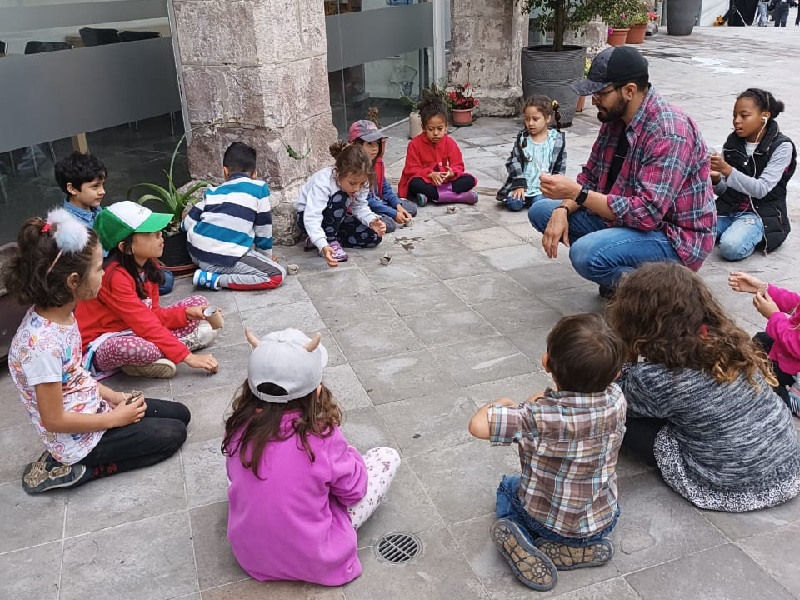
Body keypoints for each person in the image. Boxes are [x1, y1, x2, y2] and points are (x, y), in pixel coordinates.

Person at [6, 208, 190, 494]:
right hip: (76, 442)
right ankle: (83, 469)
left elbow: (76, 374)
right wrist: (115, 419)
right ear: (73, 282)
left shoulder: (65, 315)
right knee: (172, 435)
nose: (104, 273)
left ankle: (109, 433)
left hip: (94, 408)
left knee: (181, 414)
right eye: (98, 268)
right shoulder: (40, 345)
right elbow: (53, 419)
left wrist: (116, 398)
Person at [608, 262, 800, 512]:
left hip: (733, 486)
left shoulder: (659, 380)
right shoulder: (733, 343)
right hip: (787, 468)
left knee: (619, 416)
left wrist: (623, 356)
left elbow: (614, 392)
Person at [527, 46, 716, 299]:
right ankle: (624, 272)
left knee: (585, 254)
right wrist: (563, 208)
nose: (594, 100)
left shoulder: (670, 131)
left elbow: (647, 214)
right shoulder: (614, 119)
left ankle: (667, 294)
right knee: (542, 210)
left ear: (629, 91)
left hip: (674, 237)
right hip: (628, 220)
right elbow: (590, 177)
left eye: (600, 93)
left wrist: (577, 194)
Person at [224, 327, 400, 586]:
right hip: (317, 558)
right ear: (316, 392)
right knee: (386, 456)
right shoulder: (322, 436)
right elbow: (355, 491)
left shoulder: (238, 428)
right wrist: (347, 453)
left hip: (251, 558)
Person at [468, 313, 626, 592]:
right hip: (602, 521)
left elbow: (478, 425)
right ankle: (578, 548)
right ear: (615, 374)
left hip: (546, 521)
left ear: (546, 363)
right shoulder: (617, 400)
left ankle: (522, 540)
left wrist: (503, 403)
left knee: (507, 487)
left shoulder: (536, 417)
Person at [75, 201, 219, 379]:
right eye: (152, 233)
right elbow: (146, 324)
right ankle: (177, 347)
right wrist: (188, 357)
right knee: (137, 348)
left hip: (134, 329)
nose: (161, 236)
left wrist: (186, 313)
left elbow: (154, 314)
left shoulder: (148, 265)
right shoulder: (114, 277)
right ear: (125, 247)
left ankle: (161, 355)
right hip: (103, 342)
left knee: (199, 302)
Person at [55, 151, 175, 294]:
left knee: (162, 277)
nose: (102, 191)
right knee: (163, 280)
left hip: (120, 267)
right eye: (95, 187)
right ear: (72, 188)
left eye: (102, 185)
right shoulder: (69, 227)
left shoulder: (97, 211)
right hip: (102, 279)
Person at [183, 142, 286, 291]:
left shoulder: (212, 192)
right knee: (276, 275)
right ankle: (215, 279)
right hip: (223, 258)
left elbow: (187, 224)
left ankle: (212, 272)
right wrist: (266, 257)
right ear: (255, 174)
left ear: (225, 171)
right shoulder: (259, 189)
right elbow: (263, 230)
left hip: (196, 253)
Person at [711, 88, 796, 261]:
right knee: (690, 228)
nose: (737, 121)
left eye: (744, 115)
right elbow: (724, 191)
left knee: (730, 247)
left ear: (764, 116)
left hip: (761, 214)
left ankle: (749, 233)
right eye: (734, 115)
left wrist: (727, 169)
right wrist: (715, 178)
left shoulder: (782, 147)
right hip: (729, 209)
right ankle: (734, 229)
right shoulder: (732, 143)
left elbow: (761, 189)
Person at [295, 143, 386, 267]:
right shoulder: (323, 182)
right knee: (340, 197)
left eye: (361, 184)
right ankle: (328, 241)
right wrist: (323, 245)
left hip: (336, 220)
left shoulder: (361, 183)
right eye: (352, 183)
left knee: (373, 237)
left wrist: (371, 220)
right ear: (338, 173)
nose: (357, 189)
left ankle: (319, 239)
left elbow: (359, 206)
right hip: (308, 218)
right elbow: (312, 216)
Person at [729, 270, 800, 412]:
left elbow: (796, 345)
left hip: (794, 370)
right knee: (762, 339)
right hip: (792, 358)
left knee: (759, 387)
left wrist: (774, 316)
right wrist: (764, 289)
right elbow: (796, 304)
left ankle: (792, 400)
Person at [398, 91, 478, 206]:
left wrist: (451, 173)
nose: (435, 133)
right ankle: (459, 196)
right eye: (431, 129)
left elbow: (458, 165)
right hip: (427, 181)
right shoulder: (414, 144)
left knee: (469, 180)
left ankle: (432, 197)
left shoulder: (450, 143)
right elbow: (411, 169)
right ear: (424, 128)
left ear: (446, 126)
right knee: (414, 184)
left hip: (444, 181)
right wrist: (430, 174)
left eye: (440, 129)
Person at [496, 96, 566, 212]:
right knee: (514, 203)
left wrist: (556, 184)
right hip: (523, 185)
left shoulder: (556, 140)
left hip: (542, 188)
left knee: (540, 204)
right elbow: (513, 161)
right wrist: (519, 185)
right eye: (527, 119)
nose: (530, 123)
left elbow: (560, 165)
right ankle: (524, 197)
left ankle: (536, 200)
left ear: (547, 118)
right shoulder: (523, 138)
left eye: (535, 119)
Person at [347, 120, 417, 233]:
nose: (375, 148)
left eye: (377, 143)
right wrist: (393, 213)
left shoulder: (377, 162)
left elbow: (385, 187)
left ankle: (390, 209)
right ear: (356, 146)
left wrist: (397, 205)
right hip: (364, 206)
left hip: (379, 201)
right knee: (389, 224)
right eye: (369, 144)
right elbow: (366, 200)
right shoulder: (355, 169)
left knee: (411, 208)